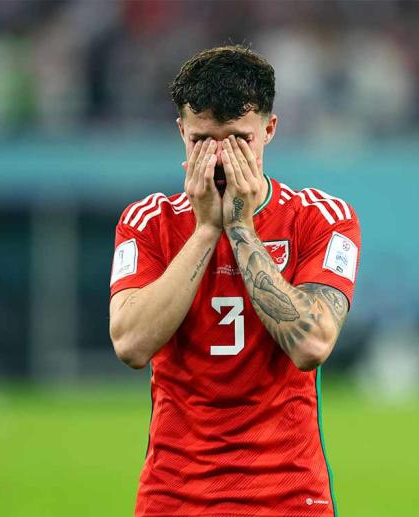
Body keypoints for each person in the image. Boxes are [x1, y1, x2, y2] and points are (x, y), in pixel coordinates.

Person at [108, 45, 360, 516]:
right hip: (175, 495)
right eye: (203, 140)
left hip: (289, 496)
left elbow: (312, 345)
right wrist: (206, 229)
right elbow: (130, 344)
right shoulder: (147, 222)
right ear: (181, 130)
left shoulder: (321, 219)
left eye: (238, 140)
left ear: (270, 129)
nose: (221, 159)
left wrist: (240, 226)